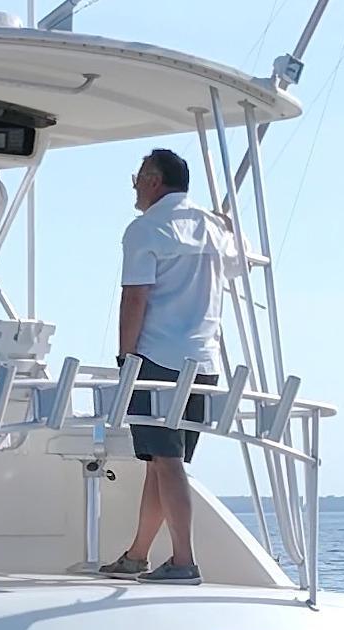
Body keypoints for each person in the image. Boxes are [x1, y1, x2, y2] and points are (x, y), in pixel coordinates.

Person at [105, 148, 234, 584]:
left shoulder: (145, 229)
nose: (135, 187)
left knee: (166, 459)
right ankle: (137, 554)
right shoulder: (213, 227)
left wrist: (126, 358)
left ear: (154, 181)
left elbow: (134, 297)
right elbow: (239, 266)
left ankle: (183, 561)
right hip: (205, 362)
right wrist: (225, 228)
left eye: (138, 178)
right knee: (160, 462)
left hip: (158, 360)